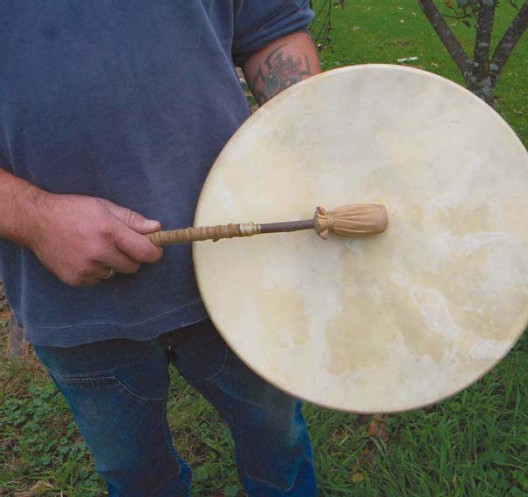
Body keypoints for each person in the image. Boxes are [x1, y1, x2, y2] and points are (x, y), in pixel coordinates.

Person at [0, 2, 321, 496]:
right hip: (76, 305)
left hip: (244, 274)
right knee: (136, 478)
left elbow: (270, 33)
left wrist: (316, 156)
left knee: (278, 444)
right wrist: (36, 218)